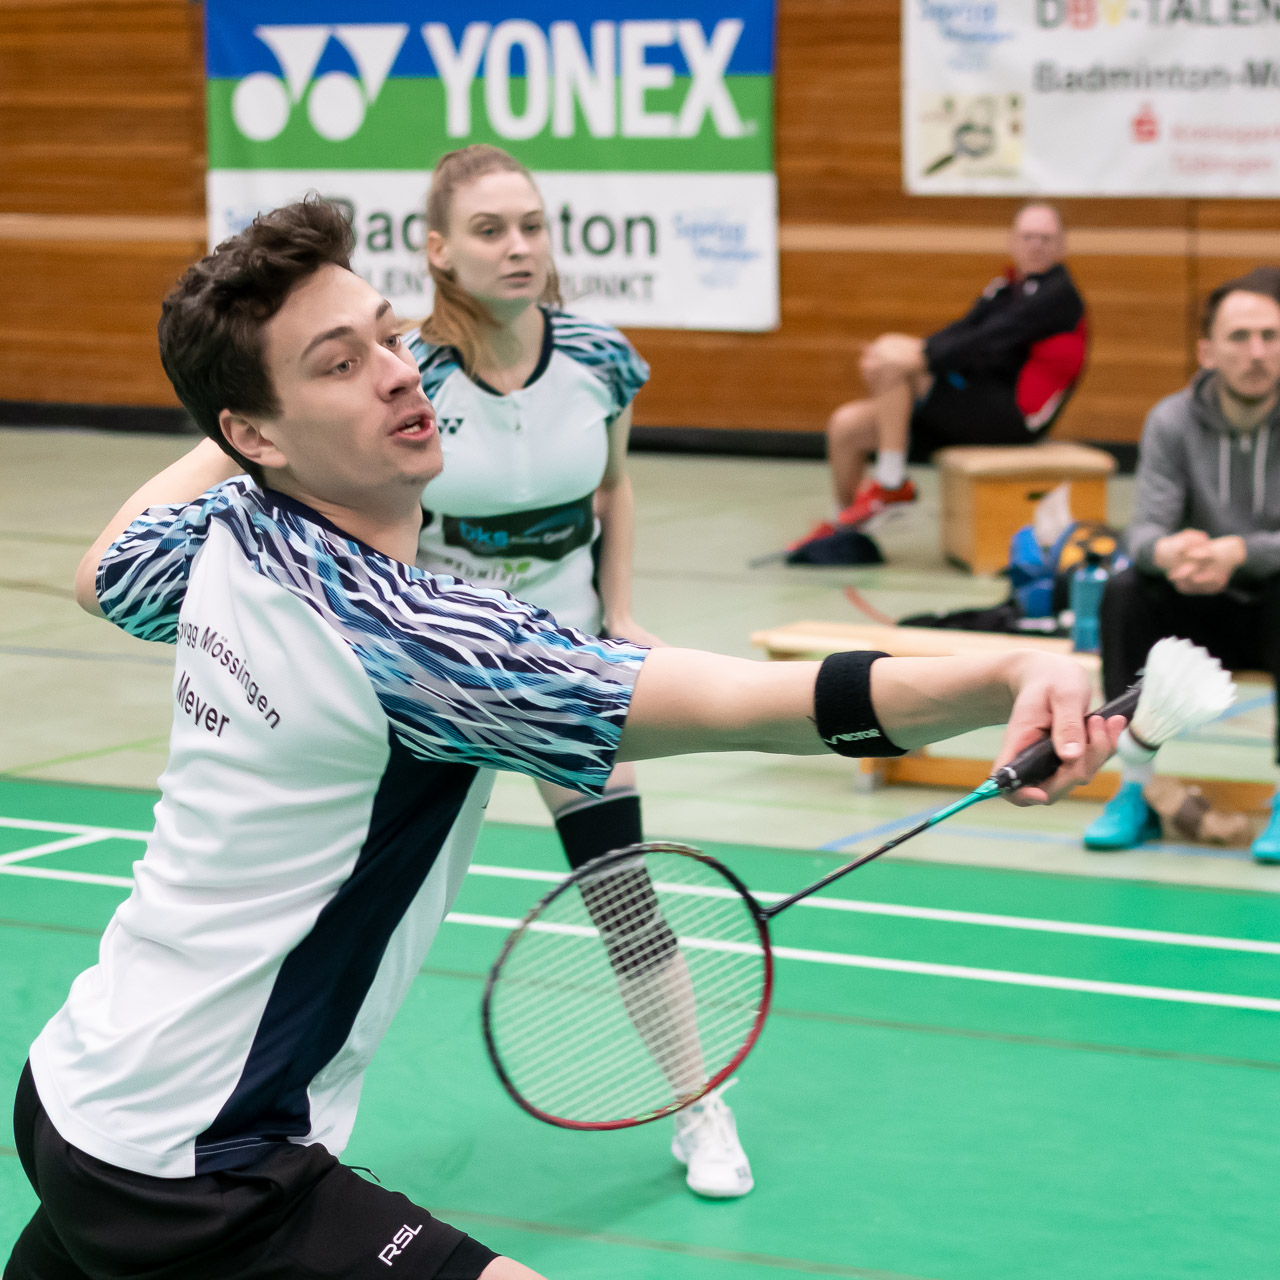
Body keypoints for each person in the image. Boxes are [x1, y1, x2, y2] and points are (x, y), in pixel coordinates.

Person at [5, 197, 1122, 1280]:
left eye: (389, 335)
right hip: (203, 1157)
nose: (397, 372)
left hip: (77, 1088)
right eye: (339, 364)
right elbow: (751, 704)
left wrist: (245, 427)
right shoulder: (424, 646)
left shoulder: (226, 533)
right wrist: (1005, 673)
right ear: (251, 431)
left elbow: (100, 568)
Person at [401, 146, 752, 1196]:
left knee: (622, 890)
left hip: (563, 666)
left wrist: (621, 613)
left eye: (531, 225)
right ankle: (290, 1121)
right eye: (490, 230)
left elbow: (614, 489)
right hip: (440, 673)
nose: (518, 247)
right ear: (439, 249)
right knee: (373, 903)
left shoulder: (600, 356)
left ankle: (698, 1104)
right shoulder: (406, 373)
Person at [1083, 274, 1280, 861]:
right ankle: (1135, 789)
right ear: (1207, 351)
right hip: (1197, 607)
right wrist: (1170, 553)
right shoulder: (1171, 420)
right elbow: (1145, 530)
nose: (1257, 352)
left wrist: (1239, 552)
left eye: (1270, 336)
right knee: (1125, 592)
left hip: (1270, 606)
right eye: (1239, 337)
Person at [796, 203, 1087, 544]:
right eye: (1028, 237)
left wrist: (916, 358)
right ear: (1012, 241)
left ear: (1062, 245)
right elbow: (962, 330)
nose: (1036, 245)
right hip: (970, 407)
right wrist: (913, 353)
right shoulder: (1006, 287)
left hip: (1013, 418)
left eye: (1046, 238)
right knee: (846, 425)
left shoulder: (1058, 296)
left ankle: (890, 482)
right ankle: (846, 532)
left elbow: (987, 342)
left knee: (897, 358)